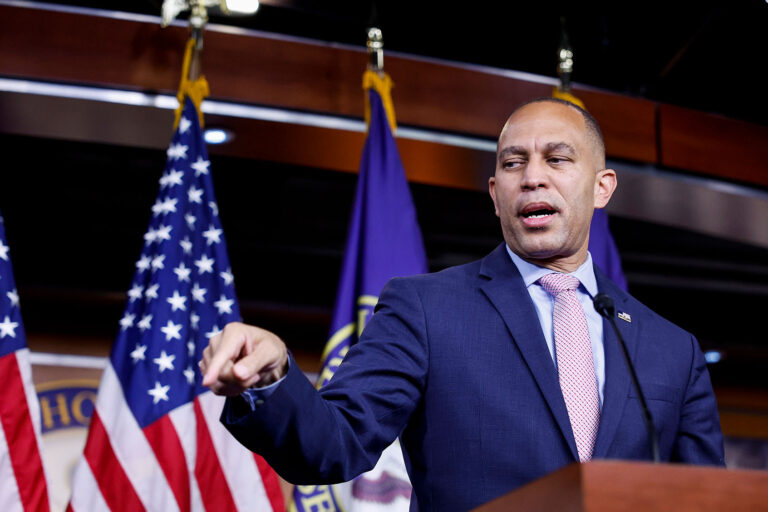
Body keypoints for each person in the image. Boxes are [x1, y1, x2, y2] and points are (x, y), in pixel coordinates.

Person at [201, 98, 724, 511]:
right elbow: (332, 444)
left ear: (602, 187)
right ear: (496, 193)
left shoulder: (671, 350)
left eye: (558, 159)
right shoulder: (426, 308)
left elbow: (706, 503)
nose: (533, 177)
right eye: (513, 163)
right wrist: (270, 379)